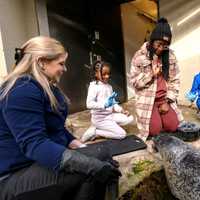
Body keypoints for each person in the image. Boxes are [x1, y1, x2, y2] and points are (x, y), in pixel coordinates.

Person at [0, 36, 121, 200]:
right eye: (61, 64)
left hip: (36, 164)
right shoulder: (21, 90)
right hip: (15, 176)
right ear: (42, 62)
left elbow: (57, 129)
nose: (65, 69)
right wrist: (90, 164)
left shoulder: (43, 85)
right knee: (92, 169)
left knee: (102, 153)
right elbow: (35, 144)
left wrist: (83, 148)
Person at [129, 18, 184, 142]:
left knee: (173, 126)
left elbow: (175, 80)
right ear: (152, 40)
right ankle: (156, 119)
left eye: (165, 46)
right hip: (148, 101)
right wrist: (151, 75)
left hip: (164, 99)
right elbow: (134, 82)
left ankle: (162, 116)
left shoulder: (170, 56)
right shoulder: (139, 56)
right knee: (154, 131)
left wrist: (167, 101)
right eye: (158, 44)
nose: (161, 49)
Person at [81, 60, 134, 142]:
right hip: (100, 119)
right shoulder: (94, 87)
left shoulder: (109, 86)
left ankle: (108, 127)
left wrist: (122, 110)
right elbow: (89, 104)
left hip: (109, 116)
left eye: (108, 74)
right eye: (104, 74)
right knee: (122, 134)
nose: (107, 76)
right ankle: (96, 132)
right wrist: (104, 105)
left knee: (130, 118)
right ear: (96, 74)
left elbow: (113, 103)